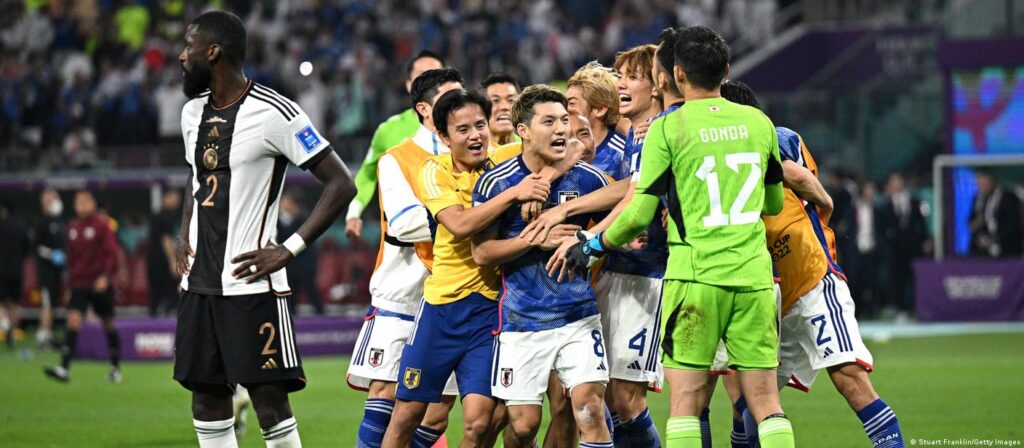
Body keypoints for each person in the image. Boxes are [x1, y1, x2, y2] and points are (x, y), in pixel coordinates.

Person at [561, 26, 795, 448]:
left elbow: (638, 213)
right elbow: (773, 203)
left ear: (675, 76)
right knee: (765, 402)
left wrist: (592, 244)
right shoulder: (759, 122)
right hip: (754, 279)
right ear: (725, 70)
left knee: (686, 403)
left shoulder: (668, 128)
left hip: (694, 280)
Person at [169, 11, 355, 448]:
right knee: (206, 402)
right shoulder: (191, 113)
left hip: (251, 285)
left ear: (212, 52)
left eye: (189, 45)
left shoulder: (277, 113)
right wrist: (184, 234)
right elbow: (193, 177)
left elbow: (341, 183)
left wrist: (289, 248)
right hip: (198, 284)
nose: (181, 55)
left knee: (270, 404)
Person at [722, 80, 906, 448]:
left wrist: (824, 204)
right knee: (749, 408)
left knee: (849, 379)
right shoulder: (714, 158)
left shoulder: (777, 137)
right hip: (766, 296)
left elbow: (799, 176)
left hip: (812, 281)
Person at [380, 88, 555, 447]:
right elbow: (459, 225)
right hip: (441, 310)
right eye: (463, 129)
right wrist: (514, 193)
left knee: (479, 424)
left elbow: (560, 151)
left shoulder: (506, 160)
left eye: (480, 125)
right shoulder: (434, 171)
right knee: (407, 415)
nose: (475, 135)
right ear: (443, 137)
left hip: (490, 312)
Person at [472, 85, 613, 448]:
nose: (561, 130)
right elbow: (483, 253)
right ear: (523, 130)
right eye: (549, 121)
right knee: (522, 426)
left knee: (589, 410)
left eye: (564, 120)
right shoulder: (498, 183)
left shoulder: (586, 179)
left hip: (579, 315)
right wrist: (534, 240)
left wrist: (591, 239)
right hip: (522, 321)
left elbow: (628, 202)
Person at [348, 67, 466, 448]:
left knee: (438, 407)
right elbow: (404, 225)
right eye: (450, 100)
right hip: (403, 291)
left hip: (453, 294)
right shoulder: (397, 158)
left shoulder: (475, 155)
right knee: (384, 392)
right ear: (424, 110)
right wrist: (470, 214)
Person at [344, 50, 445, 241]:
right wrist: (354, 212)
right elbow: (367, 173)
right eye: (422, 76)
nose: (431, 82)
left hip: (454, 234)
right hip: (406, 238)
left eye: (437, 76)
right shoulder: (389, 130)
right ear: (409, 85)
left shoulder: (466, 128)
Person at [44, 190, 122, 382]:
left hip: (98, 283)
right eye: (78, 201)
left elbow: (112, 253)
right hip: (79, 283)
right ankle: (64, 368)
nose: (81, 205)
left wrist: (106, 276)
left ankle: (115, 367)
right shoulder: (71, 227)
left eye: (85, 201)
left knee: (108, 323)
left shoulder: (102, 225)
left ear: (93, 203)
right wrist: (69, 286)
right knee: (73, 321)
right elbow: (70, 259)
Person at [567, 62, 629, 180]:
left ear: (600, 109)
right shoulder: (559, 149)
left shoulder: (622, 153)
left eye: (572, 103)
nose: (565, 110)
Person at [878, 172, 926, 315]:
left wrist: (923, 240)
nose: (895, 184)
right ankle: (900, 308)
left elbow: (920, 224)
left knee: (915, 277)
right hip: (895, 249)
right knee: (897, 278)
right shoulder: (885, 205)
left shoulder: (915, 202)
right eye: (892, 182)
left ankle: (917, 307)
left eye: (897, 181)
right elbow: (882, 228)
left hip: (912, 247)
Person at [277, 190, 322, 315]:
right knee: (292, 294)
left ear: (293, 203)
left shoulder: (306, 218)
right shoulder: (281, 220)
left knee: (311, 291)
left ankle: (322, 317)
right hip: (290, 264)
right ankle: (292, 317)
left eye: (285, 201)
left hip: (305, 263)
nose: (282, 204)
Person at [34, 188, 67, 348]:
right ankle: (42, 336)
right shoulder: (41, 223)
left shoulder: (60, 223)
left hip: (58, 272)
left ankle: (47, 334)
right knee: (47, 304)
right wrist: (51, 255)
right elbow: (37, 247)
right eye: (50, 199)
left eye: (55, 198)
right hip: (46, 271)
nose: (54, 202)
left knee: (53, 304)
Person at [970, 170, 1022, 258]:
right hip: (984, 250)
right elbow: (972, 221)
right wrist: (975, 225)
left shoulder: (1008, 197)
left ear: (992, 179)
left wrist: (996, 238)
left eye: (984, 181)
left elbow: (1013, 223)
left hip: (1008, 249)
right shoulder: (979, 199)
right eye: (979, 182)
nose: (981, 184)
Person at [0, 200, 30, 350]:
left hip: (2, 269)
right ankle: (12, 330)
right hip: (17, 270)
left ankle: (4, 325)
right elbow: (27, 249)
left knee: (2, 303)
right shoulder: (21, 226)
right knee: (15, 304)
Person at [147, 188, 181, 317]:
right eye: (173, 196)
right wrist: (173, 262)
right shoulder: (164, 216)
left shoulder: (162, 215)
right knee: (167, 293)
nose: (176, 200)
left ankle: (156, 318)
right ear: (164, 198)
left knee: (159, 296)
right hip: (161, 261)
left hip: (155, 260)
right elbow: (166, 240)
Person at [482, 72, 521, 148]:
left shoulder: (529, 149)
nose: (504, 107)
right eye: (495, 100)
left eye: (511, 100)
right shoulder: (475, 153)